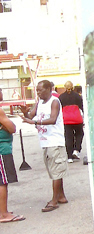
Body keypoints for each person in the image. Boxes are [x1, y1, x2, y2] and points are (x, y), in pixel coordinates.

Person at [20, 80, 68, 212]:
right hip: (46, 142)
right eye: (37, 90)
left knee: (56, 171)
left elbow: (53, 119)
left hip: (55, 141)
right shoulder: (39, 103)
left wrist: (34, 122)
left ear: (48, 89)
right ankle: (61, 196)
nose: (38, 92)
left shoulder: (54, 101)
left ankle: (54, 200)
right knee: (54, 170)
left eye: (40, 90)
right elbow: (30, 115)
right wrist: (26, 113)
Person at [0, 88, 25, 223]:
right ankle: (4, 214)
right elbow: (12, 128)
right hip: (2, 150)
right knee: (3, 181)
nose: (2, 93)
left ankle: (3, 211)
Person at [59, 81, 84, 163]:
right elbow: (82, 107)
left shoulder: (61, 97)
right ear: (73, 86)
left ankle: (69, 156)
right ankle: (76, 150)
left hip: (66, 119)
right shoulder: (77, 96)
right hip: (77, 118)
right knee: (79, 133)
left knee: (68, 137)